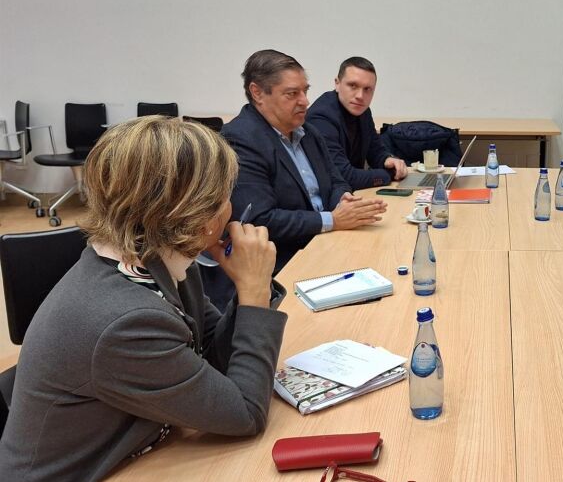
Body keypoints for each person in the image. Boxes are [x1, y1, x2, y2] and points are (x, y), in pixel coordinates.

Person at [0, 117, 287, 481]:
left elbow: (211, 356)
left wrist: (250, 288)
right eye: (224, 195)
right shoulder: (127, 322)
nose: (231, 206)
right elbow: (244, 413)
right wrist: (254, 291)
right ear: (198, 214)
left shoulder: (158, 259)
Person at [221, 50, 387, 273]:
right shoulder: (240, 139)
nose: (305, 101)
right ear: (257, 93)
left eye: (305, 91)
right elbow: (259, 220)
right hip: (281, 263)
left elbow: (337, 180)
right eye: (292, 94)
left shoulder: (307, 131)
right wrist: (332, 220)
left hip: (325, 243)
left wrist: (343, 199)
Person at [306, 56, 408, 189]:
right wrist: (388, 174)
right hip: (329, 196)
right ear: (337, 83)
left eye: (367, 89)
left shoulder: (363, 111)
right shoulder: (321, 118)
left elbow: (375, 150)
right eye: (353, 86)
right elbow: (344, 176)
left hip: (353, 193)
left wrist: (388, 160)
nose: (360, 96)